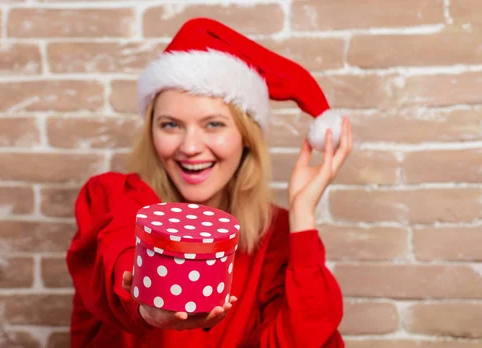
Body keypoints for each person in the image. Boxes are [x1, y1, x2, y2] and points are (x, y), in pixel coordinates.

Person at [66, 17, 352, 348]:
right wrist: (147, 304)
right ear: (152, 134)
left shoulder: (275, 236)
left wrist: (302, 215)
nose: (189, 147)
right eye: (170, 125)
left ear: (246, 138)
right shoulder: (113, 198)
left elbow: (303, 339)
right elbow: (116, 260)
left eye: (213, 124)